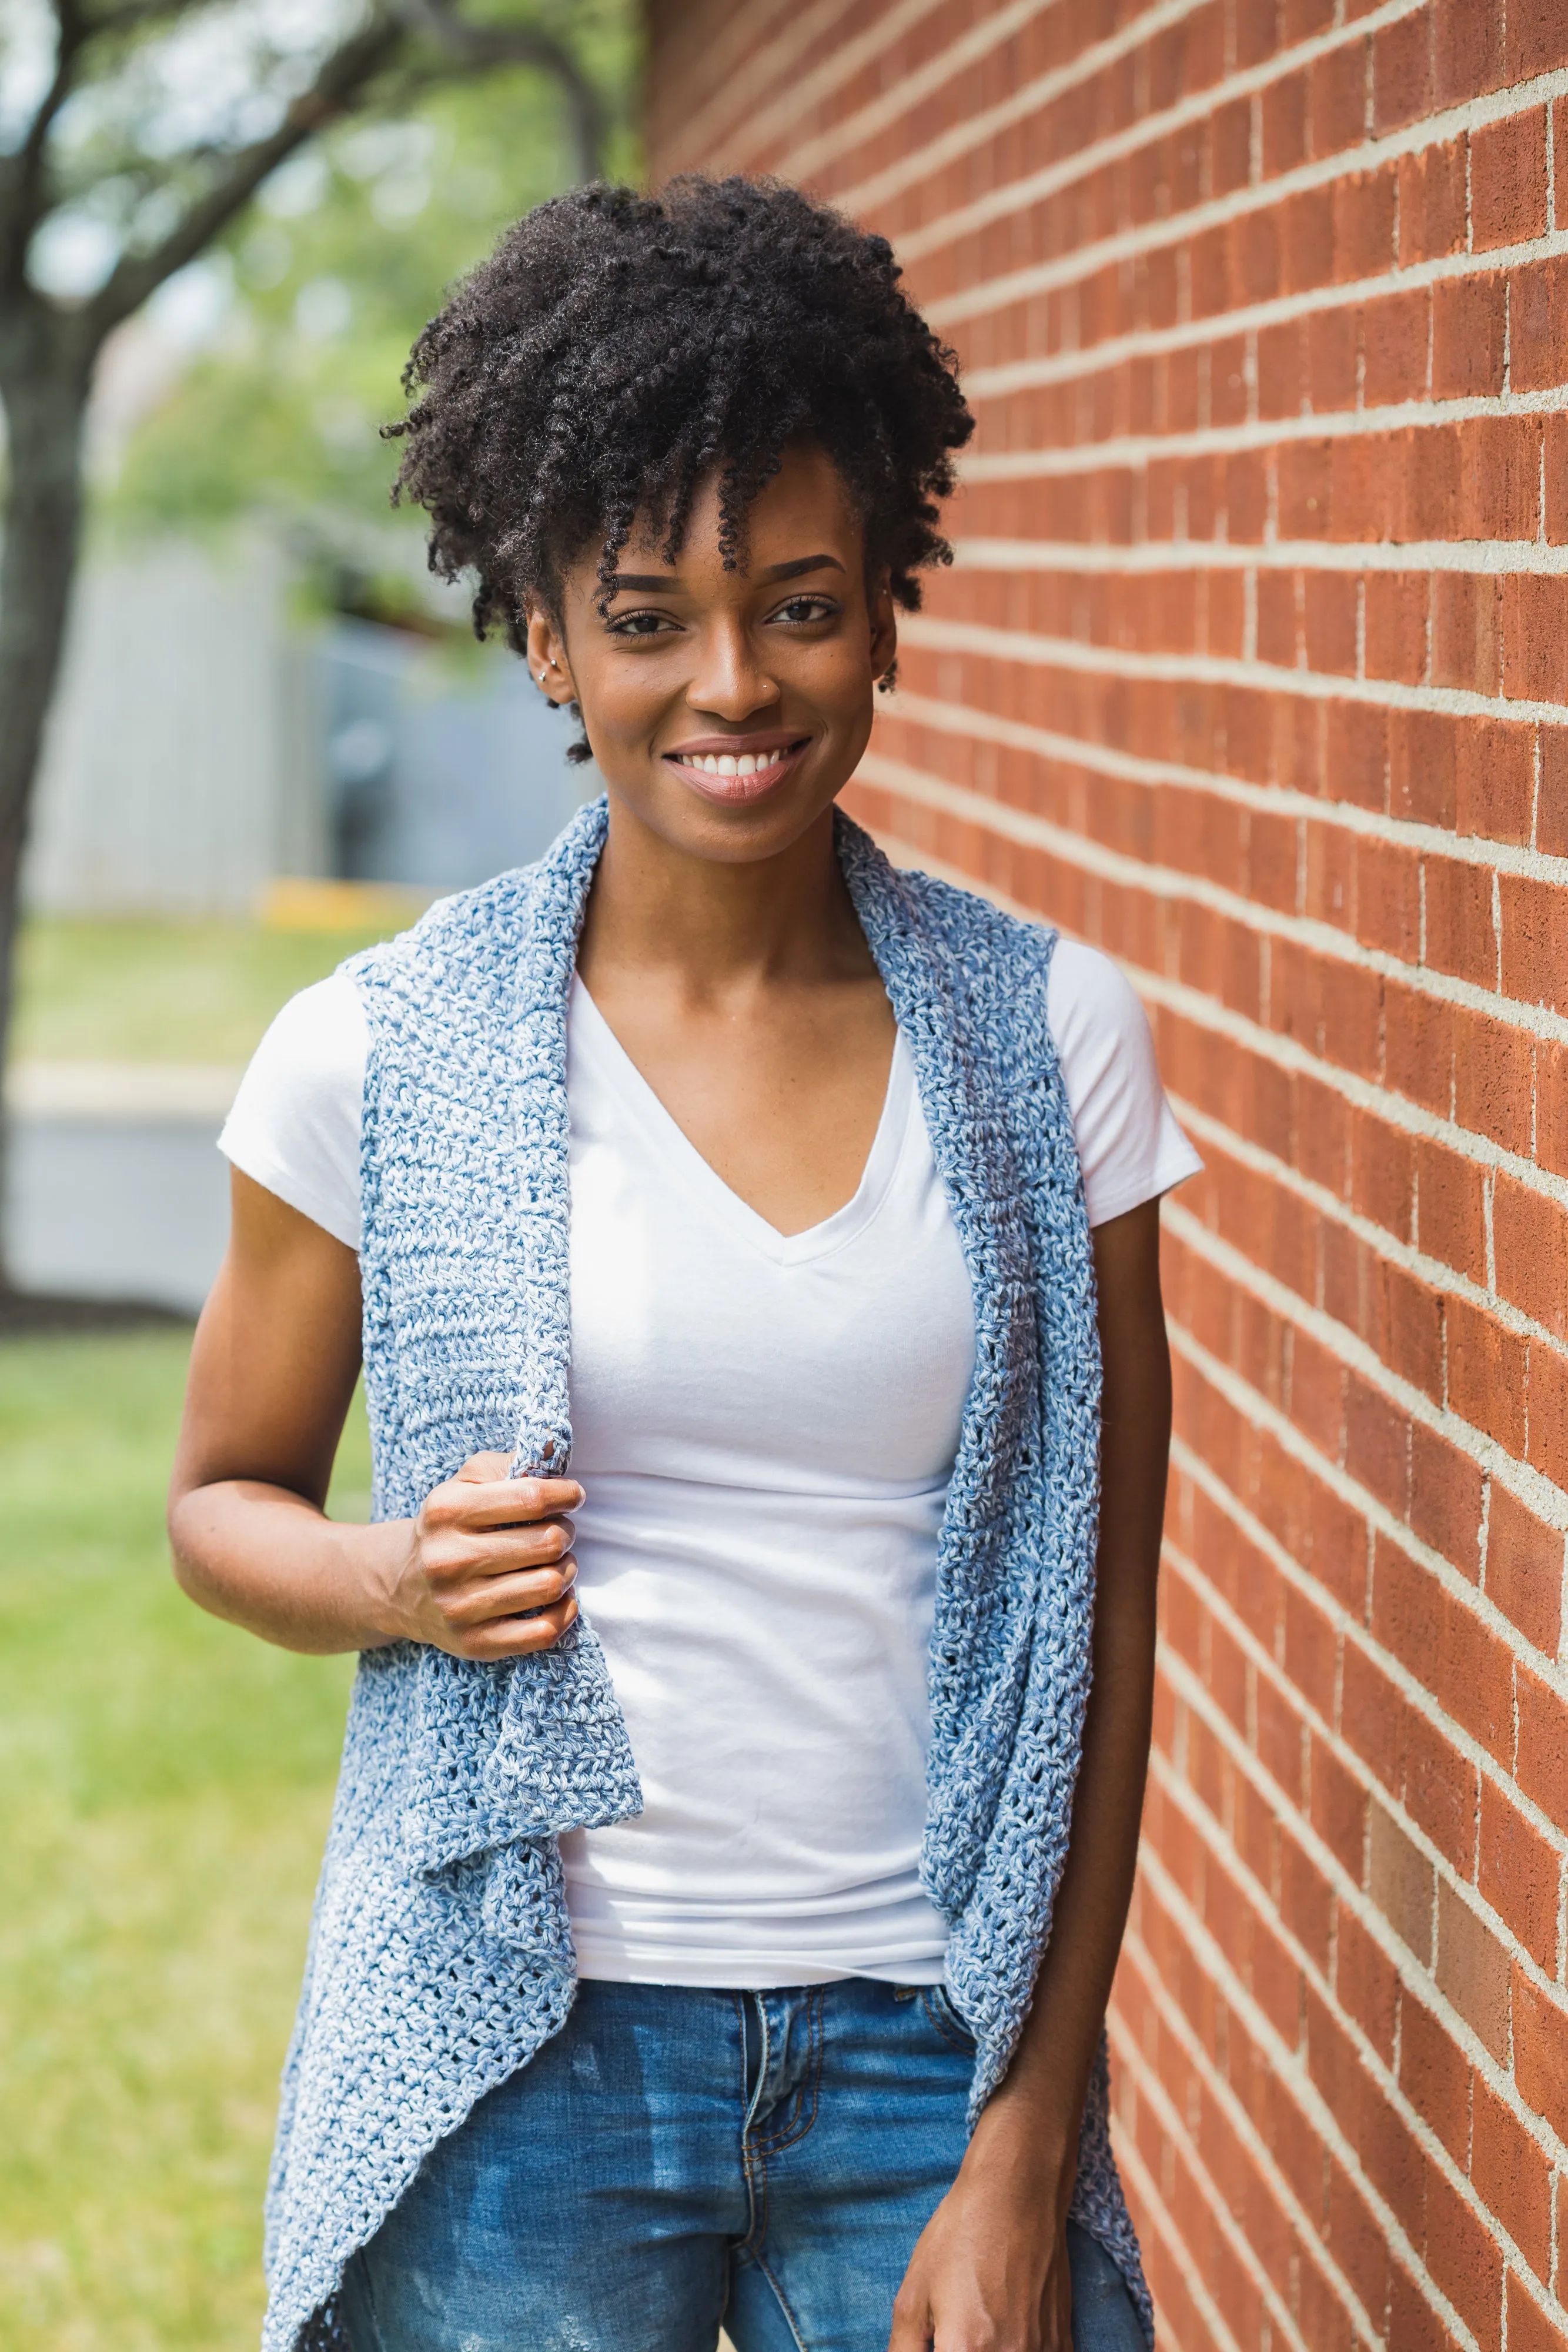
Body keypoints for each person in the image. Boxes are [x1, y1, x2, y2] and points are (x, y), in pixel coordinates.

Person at [169, 177, 1199, 2352]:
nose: (732, 683)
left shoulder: (1048, 1043)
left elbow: (1102, 1610)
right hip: (524, 2048)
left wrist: (1026, 2136)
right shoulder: (374, 1051)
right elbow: (215, 1504)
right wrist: (395, 1583)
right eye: (647, 616)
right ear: (547, 637)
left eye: (801, 603)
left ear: (890, 610)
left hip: (933, 2040)